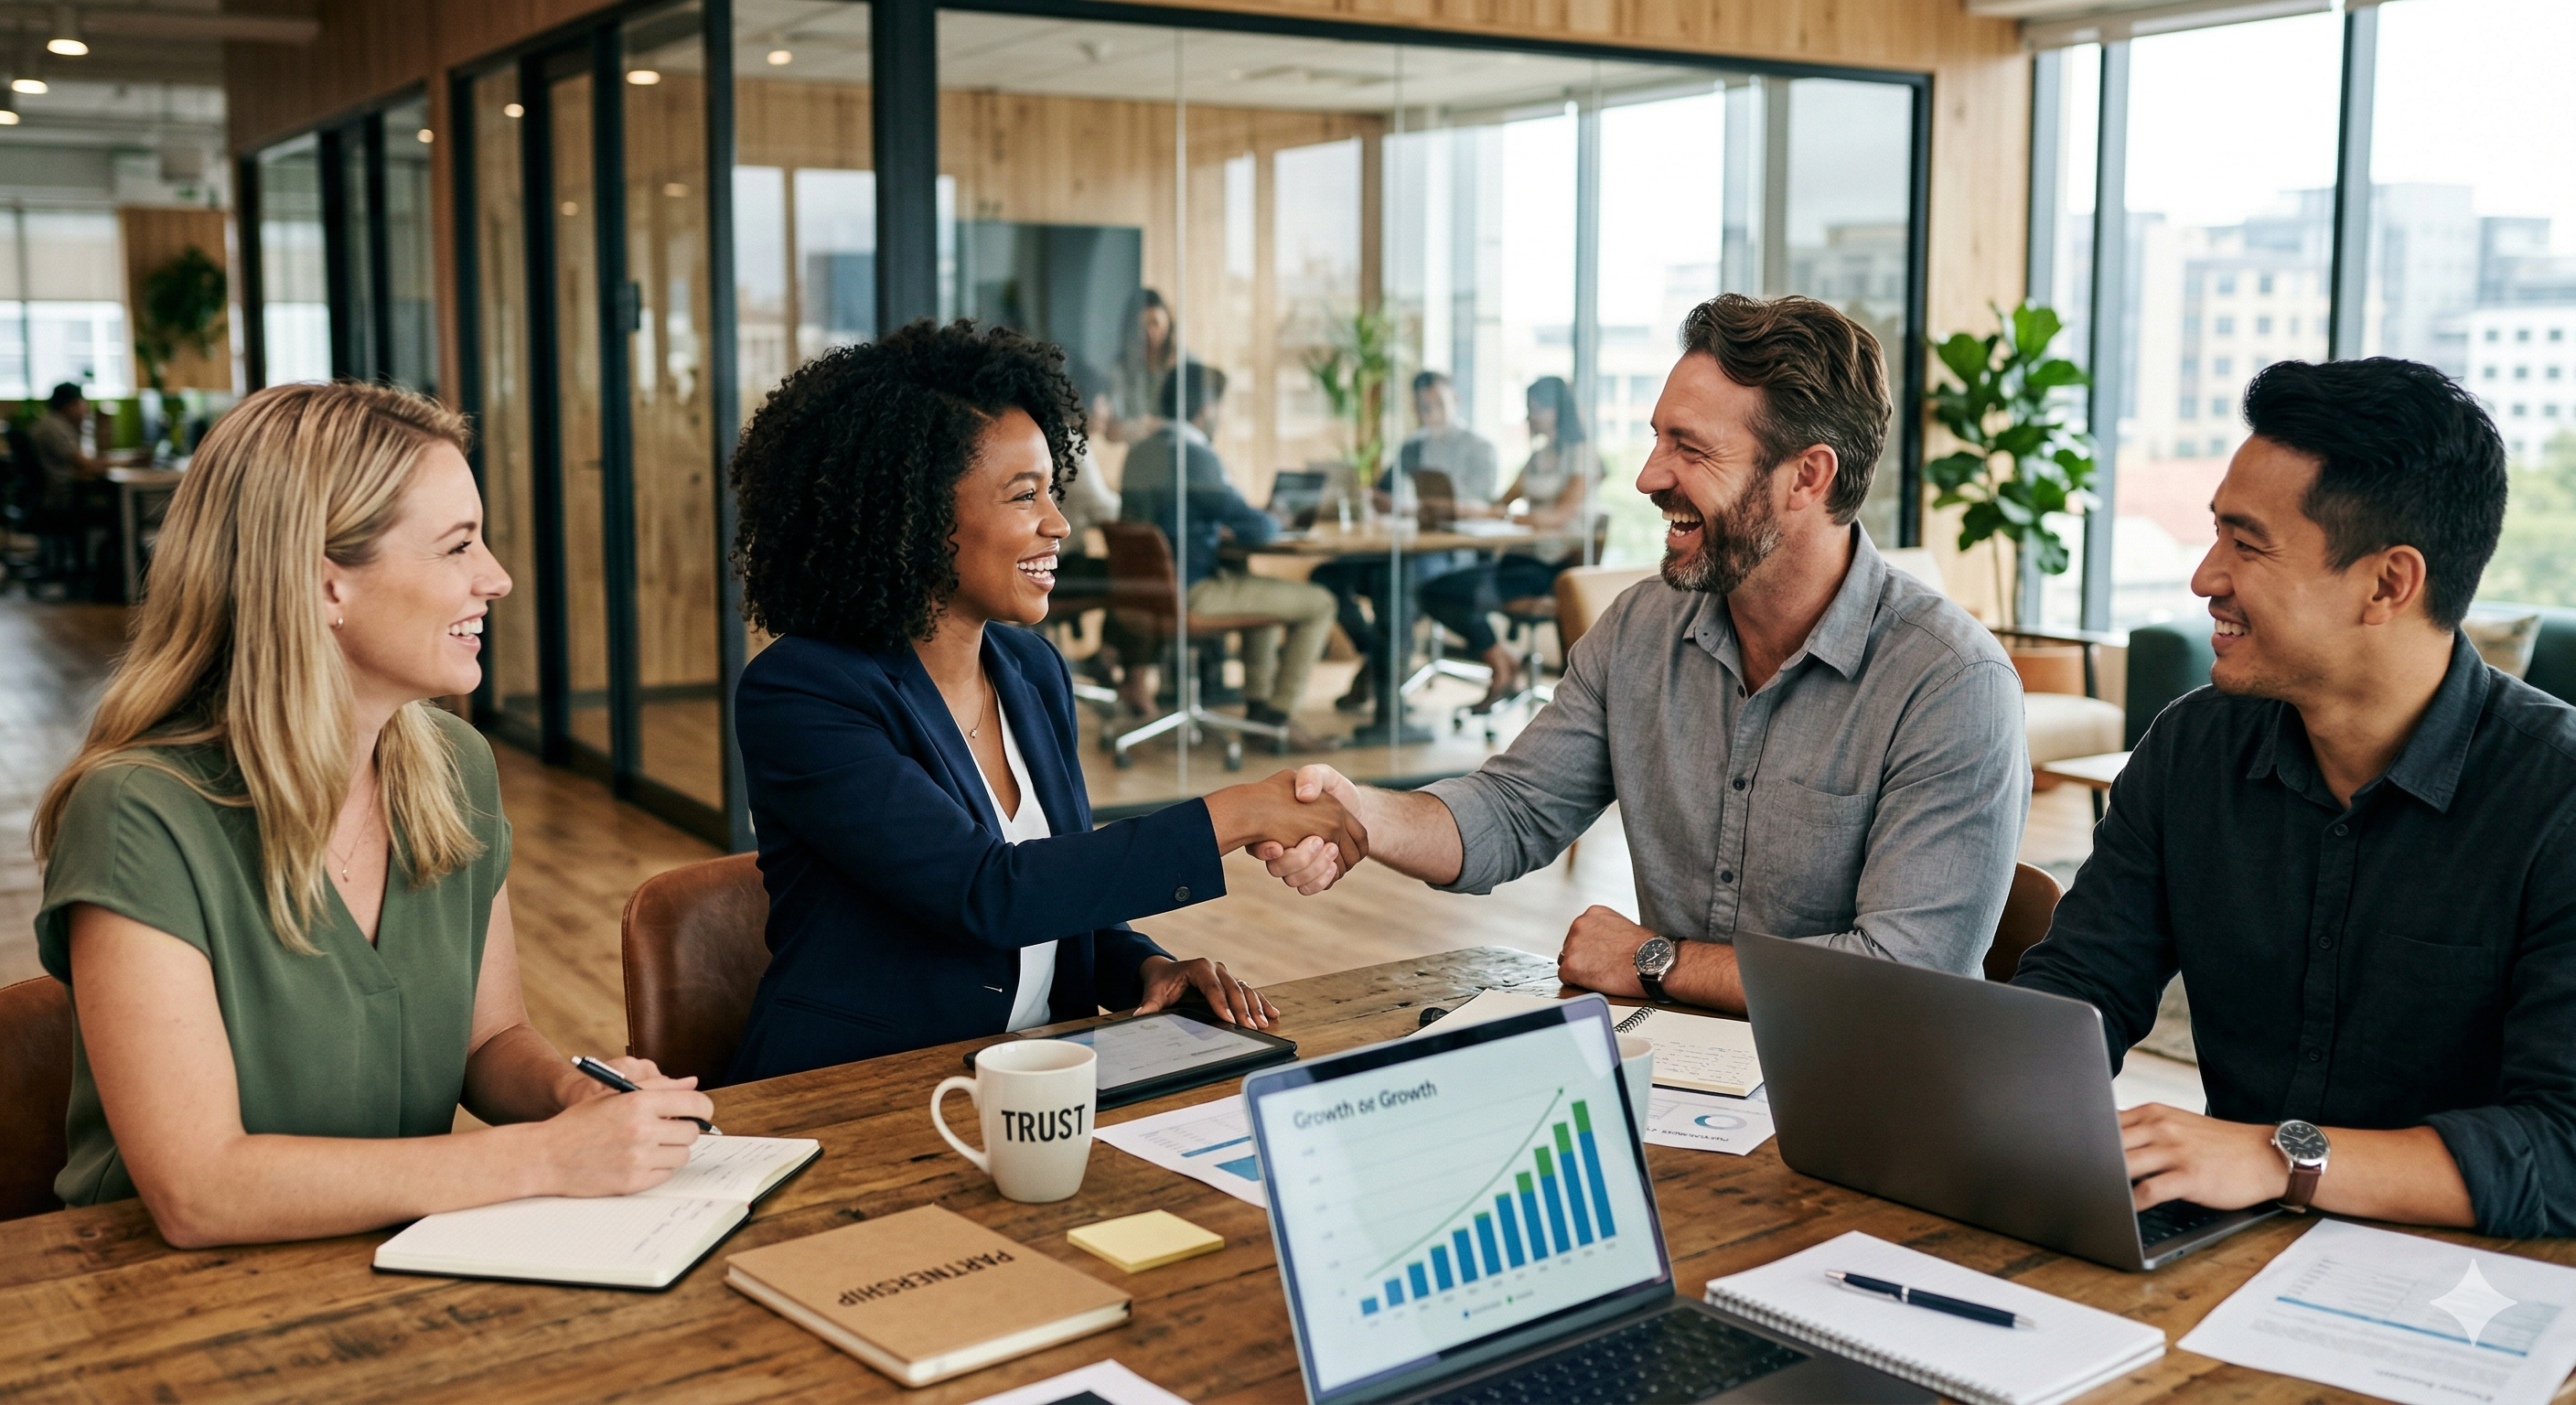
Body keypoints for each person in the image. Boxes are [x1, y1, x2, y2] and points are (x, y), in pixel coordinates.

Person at [31, 381, 714, 1244]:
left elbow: (489, 1038)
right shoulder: (139, 814)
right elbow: (198, 1190)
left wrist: (575, 1095)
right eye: (458, 546)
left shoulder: (452, 767)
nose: (496, 577)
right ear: (324, 587)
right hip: (163, 1312)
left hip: (395, 1262)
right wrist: (546, 1158)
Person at [1260, 295, 2028, 1011]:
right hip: (1674, 1069)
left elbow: (1904, 974)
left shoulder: (1951, 683)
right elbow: (1514, 809)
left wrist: (1653, 960)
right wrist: (1362, 814)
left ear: (1808, 476)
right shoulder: (1639, 630)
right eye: (1658, 437)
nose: (1648, 476)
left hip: (1862, 1096)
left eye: (1690, 449)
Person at [2013, 359, 2576, 1239]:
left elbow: (2562, 1149)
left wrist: (2277, 1155)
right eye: (2216, 536)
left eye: (2248, 544)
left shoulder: (2557, 797)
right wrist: (1981, 1089)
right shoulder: (2193, 746)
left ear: (2388, 584)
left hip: (2478, 1283)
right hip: (2221, 1245)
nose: (2205, 577)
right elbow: (2084, 983)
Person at [723, 321, 1367, 1082]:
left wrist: (1144, 970)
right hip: (861, 1091)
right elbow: (987, 891)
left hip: (1041, 1081)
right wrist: (1237, 814)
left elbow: (1063, 897)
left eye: (1052, 491)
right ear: (918, 518)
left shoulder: (1031, 669)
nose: (1058, 524)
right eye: (1025, 495)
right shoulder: (803, 694)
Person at [1117, 361, 1343, 750]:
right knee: (1320, 603)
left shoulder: (1140, 453)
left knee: (1261, 593)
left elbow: (1173, 516)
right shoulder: (1197, 458)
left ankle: (1258, 710)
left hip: (1144, 595)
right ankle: (1278, 717)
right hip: (1191, 593)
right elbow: (1259, 528)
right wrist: (1276, 517)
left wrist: (1208, 527)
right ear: (1206, 409)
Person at [1417, 375, 1605, 709]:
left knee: (1452, 592)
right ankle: (1501, 660)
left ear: (1557, 411)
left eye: (1537, 410)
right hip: (1519, 561)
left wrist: (1504, 517)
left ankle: (1502, 668)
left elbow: (1559, 515)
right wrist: (1467, 510)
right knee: (1432, 590)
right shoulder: (1538, 457)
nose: (1531, 417)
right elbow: (1503, 502)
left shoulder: (1583, 455)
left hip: (1552, 568)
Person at [1317, 372, 1497, 717]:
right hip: (1405, 546)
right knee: (1328, 576)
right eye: (1424, 406)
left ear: (1455, 401)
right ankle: (1376, 655)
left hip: (1449, 553)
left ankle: (1388, 701)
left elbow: (1483, 507)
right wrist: (1369, 496)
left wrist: (1412, 507)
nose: (1432, 412)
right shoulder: (1412, 447)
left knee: (1393, 582)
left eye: (1438, 404)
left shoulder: (1478, 448)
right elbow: (1385, 491)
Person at [1097, 288, 1179, 446]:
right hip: (1141, 456)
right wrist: (1145, 426)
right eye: (1142, 325)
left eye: (1155, 323)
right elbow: (1112, 431)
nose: (1150, 332)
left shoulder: (1184, 366)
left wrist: (1151, 426)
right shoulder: (1120, 369)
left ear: (1167, 322)